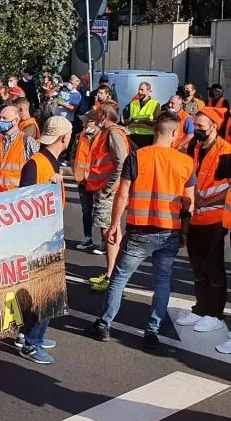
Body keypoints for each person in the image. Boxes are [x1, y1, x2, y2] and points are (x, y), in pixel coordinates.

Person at [85, 112, 195, 349]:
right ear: (175, 133)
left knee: (119, 279)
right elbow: (188, 202)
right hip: (170, 231)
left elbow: (123, 194)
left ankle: (103, 325)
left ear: (155, 130)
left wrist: (114, 225)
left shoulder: (137, 157)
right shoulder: (186, 162)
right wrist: (184, 232)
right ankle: (152, 332)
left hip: (139, 231)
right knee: (162, 282)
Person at [15, 116, 72, 364]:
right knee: (46, 292)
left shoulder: (49, 162)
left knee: (44, 292)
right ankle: (31, 341)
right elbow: (24, 201)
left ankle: (32, 335)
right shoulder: (38, 164)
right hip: (39, 239)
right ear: (65, 138)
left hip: (47, 235)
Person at [174, 108, 231, 333]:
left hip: (215, 218)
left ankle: (215, 314)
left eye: (200, 126)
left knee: (212, 266)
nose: (196, 129)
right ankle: (200, 308)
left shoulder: (226, 151)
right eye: (195, 125)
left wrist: (202, 200)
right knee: (197, 265)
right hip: (195, 217)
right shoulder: (195, 147)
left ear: (214, 126)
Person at [86, 103, 132, 291]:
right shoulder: (111, 132)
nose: (96, 117)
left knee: (109, 232)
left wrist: (109, 187)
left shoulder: (113, 133)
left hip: (108, 191)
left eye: (98, 114)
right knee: (112, 231)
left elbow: (121, 162)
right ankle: (112, 273)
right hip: (107, 189)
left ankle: (111, 275)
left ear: (104, 116)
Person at [0, 105, 39, 194]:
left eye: (5, 118)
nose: (0, 121)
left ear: (16, 121)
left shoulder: (27, 142)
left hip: (18, 199)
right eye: (0, 118)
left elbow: (39, 168)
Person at [72, 110, 102, 251]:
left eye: (87, 121)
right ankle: (88, 238)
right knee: (86, 210)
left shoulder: (103, 136)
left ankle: (104, 241)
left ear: (96, 122)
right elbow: (73, 154)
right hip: (82, 180)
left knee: (101, 210)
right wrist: (74, 170)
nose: (84, 123)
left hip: (98, 179)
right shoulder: (80, 136)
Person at [123, 82, 160, 148]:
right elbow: (125, 121)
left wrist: (142, 121)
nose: (139, 92)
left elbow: (157, 123)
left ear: (148, 91)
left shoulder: (155, 104)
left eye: (142, 90)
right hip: (133, 136)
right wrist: (131, 121)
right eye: (139, 89)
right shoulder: (133, 103)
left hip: (147, 137)